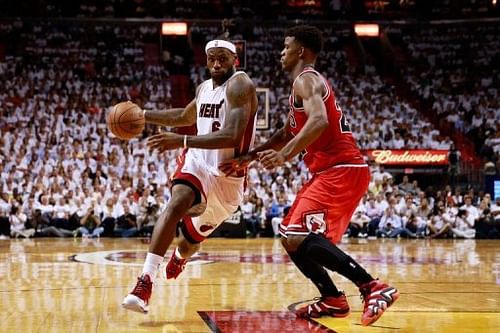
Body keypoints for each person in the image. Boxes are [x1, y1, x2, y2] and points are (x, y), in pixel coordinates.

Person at [221, 25, 398, 326]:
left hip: (342, 168)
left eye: (286, 46)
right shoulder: (300, 87)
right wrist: (249, 158)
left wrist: (284, 155)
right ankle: (332, 298)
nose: (281, 51)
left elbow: (318, 121)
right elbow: (285, 132)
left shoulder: (307, 79)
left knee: (296, 234)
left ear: (301, 51)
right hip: (332, 171)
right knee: (290, 237)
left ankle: (373, 288)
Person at [122, 38, 258, 313]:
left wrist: (182, 141)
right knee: (177, 202)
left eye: (222, 58)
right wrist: (144, 114)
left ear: (235, 60)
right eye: (211, 58)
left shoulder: (240, 85)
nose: (216, 63)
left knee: (189, 242)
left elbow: (231, 134)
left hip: (227, 178)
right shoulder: (204, 87)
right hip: (197, 162)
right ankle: (145, 282)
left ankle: (181, 256)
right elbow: (185, 117)